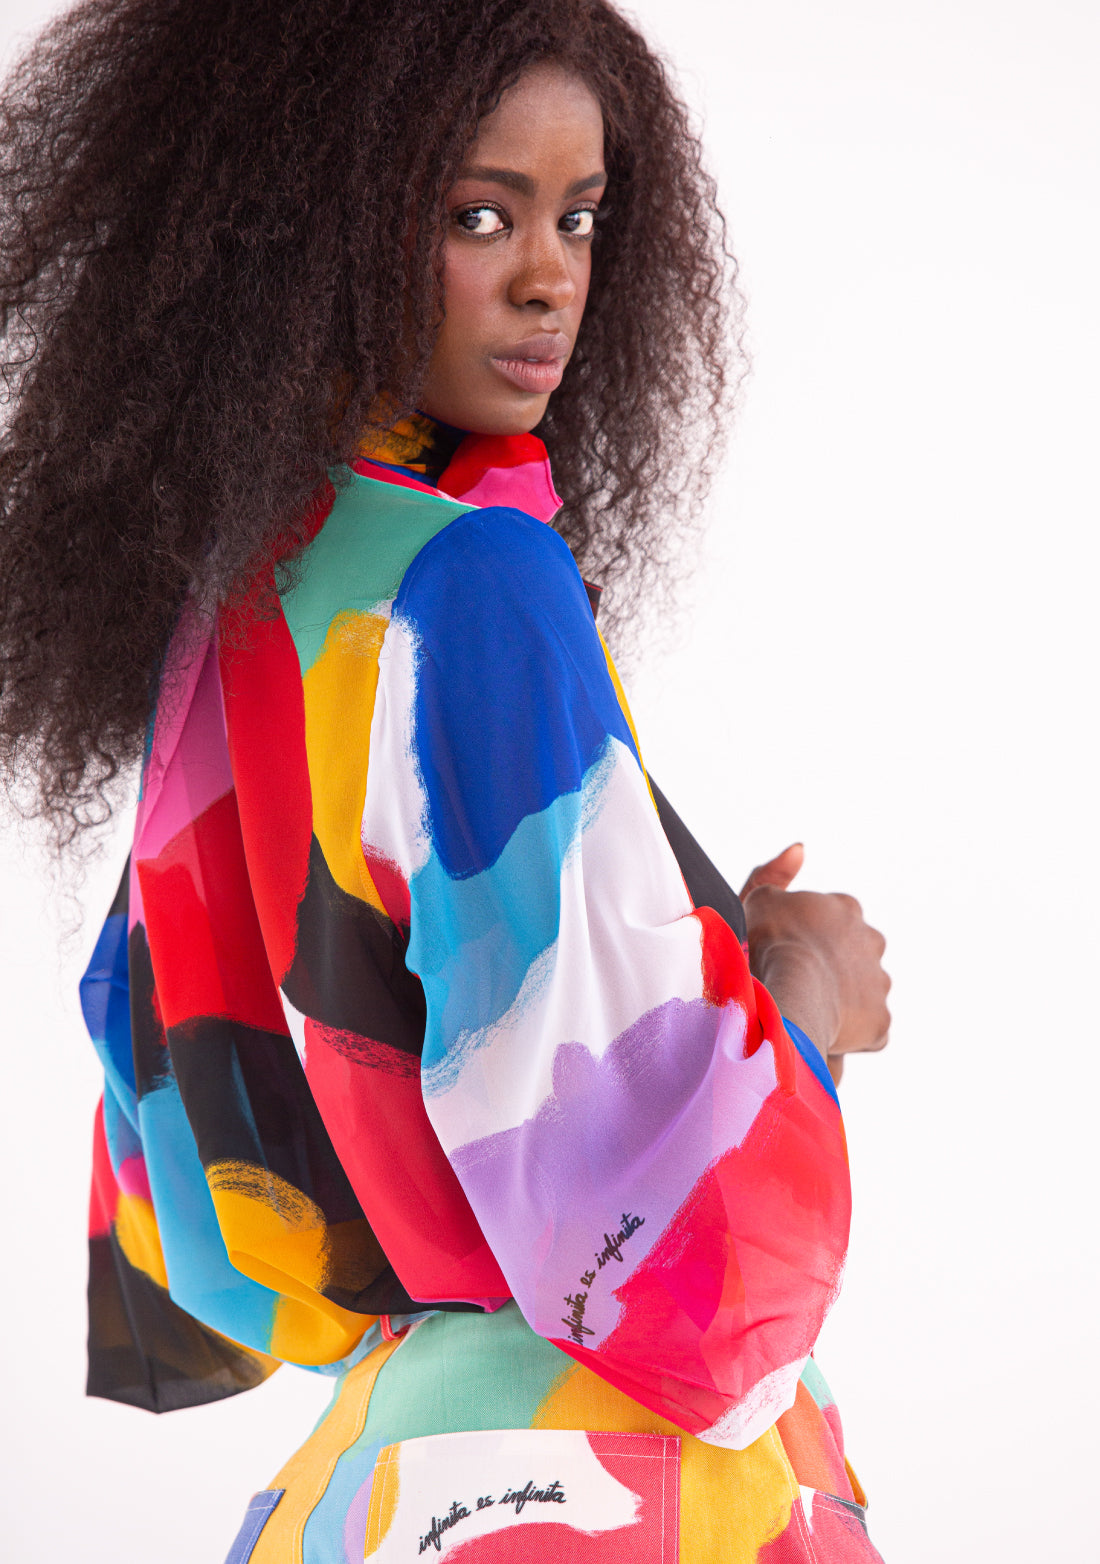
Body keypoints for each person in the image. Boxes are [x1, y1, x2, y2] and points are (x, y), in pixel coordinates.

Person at [0, 1, 890, 1559]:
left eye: (579, 217)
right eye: (479, 215)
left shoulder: (240, 600)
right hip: (595, 1489)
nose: (551, 278)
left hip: (361, 1488)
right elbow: (674, 1259)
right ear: (312, 230)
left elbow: (199, 1197)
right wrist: (802, 1001)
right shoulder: (475, 582)